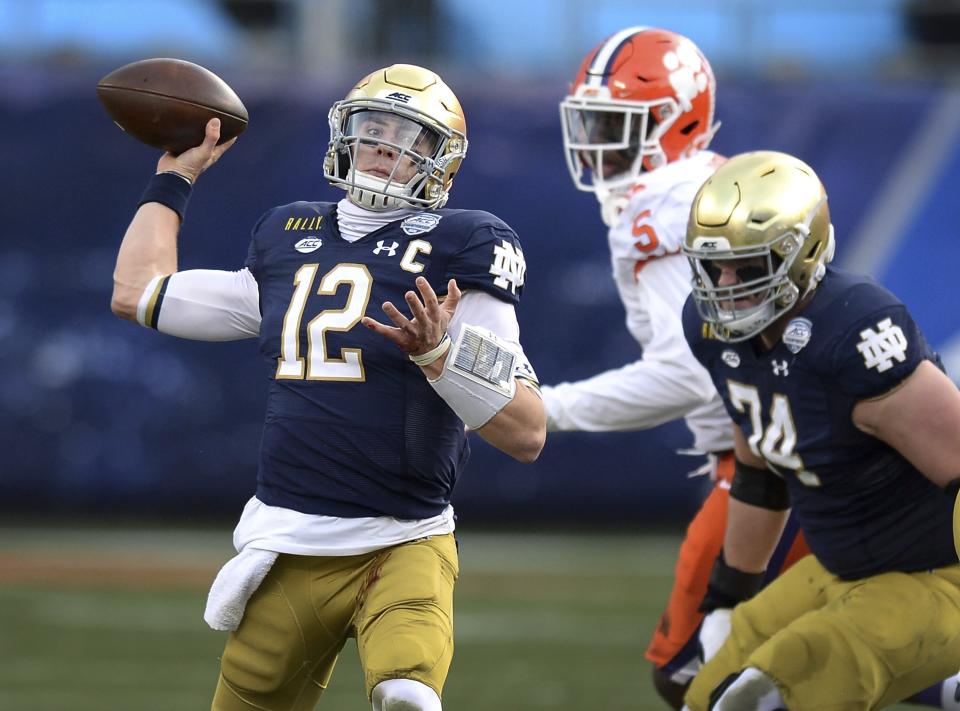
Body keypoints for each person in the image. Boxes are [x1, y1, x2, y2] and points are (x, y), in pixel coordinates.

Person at [110, 63, 546, 711]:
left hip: (404, 536)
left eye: (409, 135)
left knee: (407, 695)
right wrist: (174, 177)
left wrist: (440, 355)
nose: (385, 143)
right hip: (289, 541)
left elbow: (526, 429)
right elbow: (139, 293)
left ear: (441, 163)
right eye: (374, 126)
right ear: (345, 133)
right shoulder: (288, 236)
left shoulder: (462, 247)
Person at [544, 27, 808, 707]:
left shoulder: (663, 206)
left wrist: (548, 407)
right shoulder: (701, 182)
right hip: (788, 448)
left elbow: (690, 372)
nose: (596, 141)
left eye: (615, 124)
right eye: (592, 121)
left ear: (678, 120)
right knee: (812, 646)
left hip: (773, 462)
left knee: (695, 668)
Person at [679, 150, 960, 710]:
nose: (726, 286)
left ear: (801, 256)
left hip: (934, 577)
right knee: (701, 695)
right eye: (715, 268)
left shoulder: (854, 331)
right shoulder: (711, 330)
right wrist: (729, 597)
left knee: (765, 698)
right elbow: (761, 471)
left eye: (748, 268)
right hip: (840, 570)